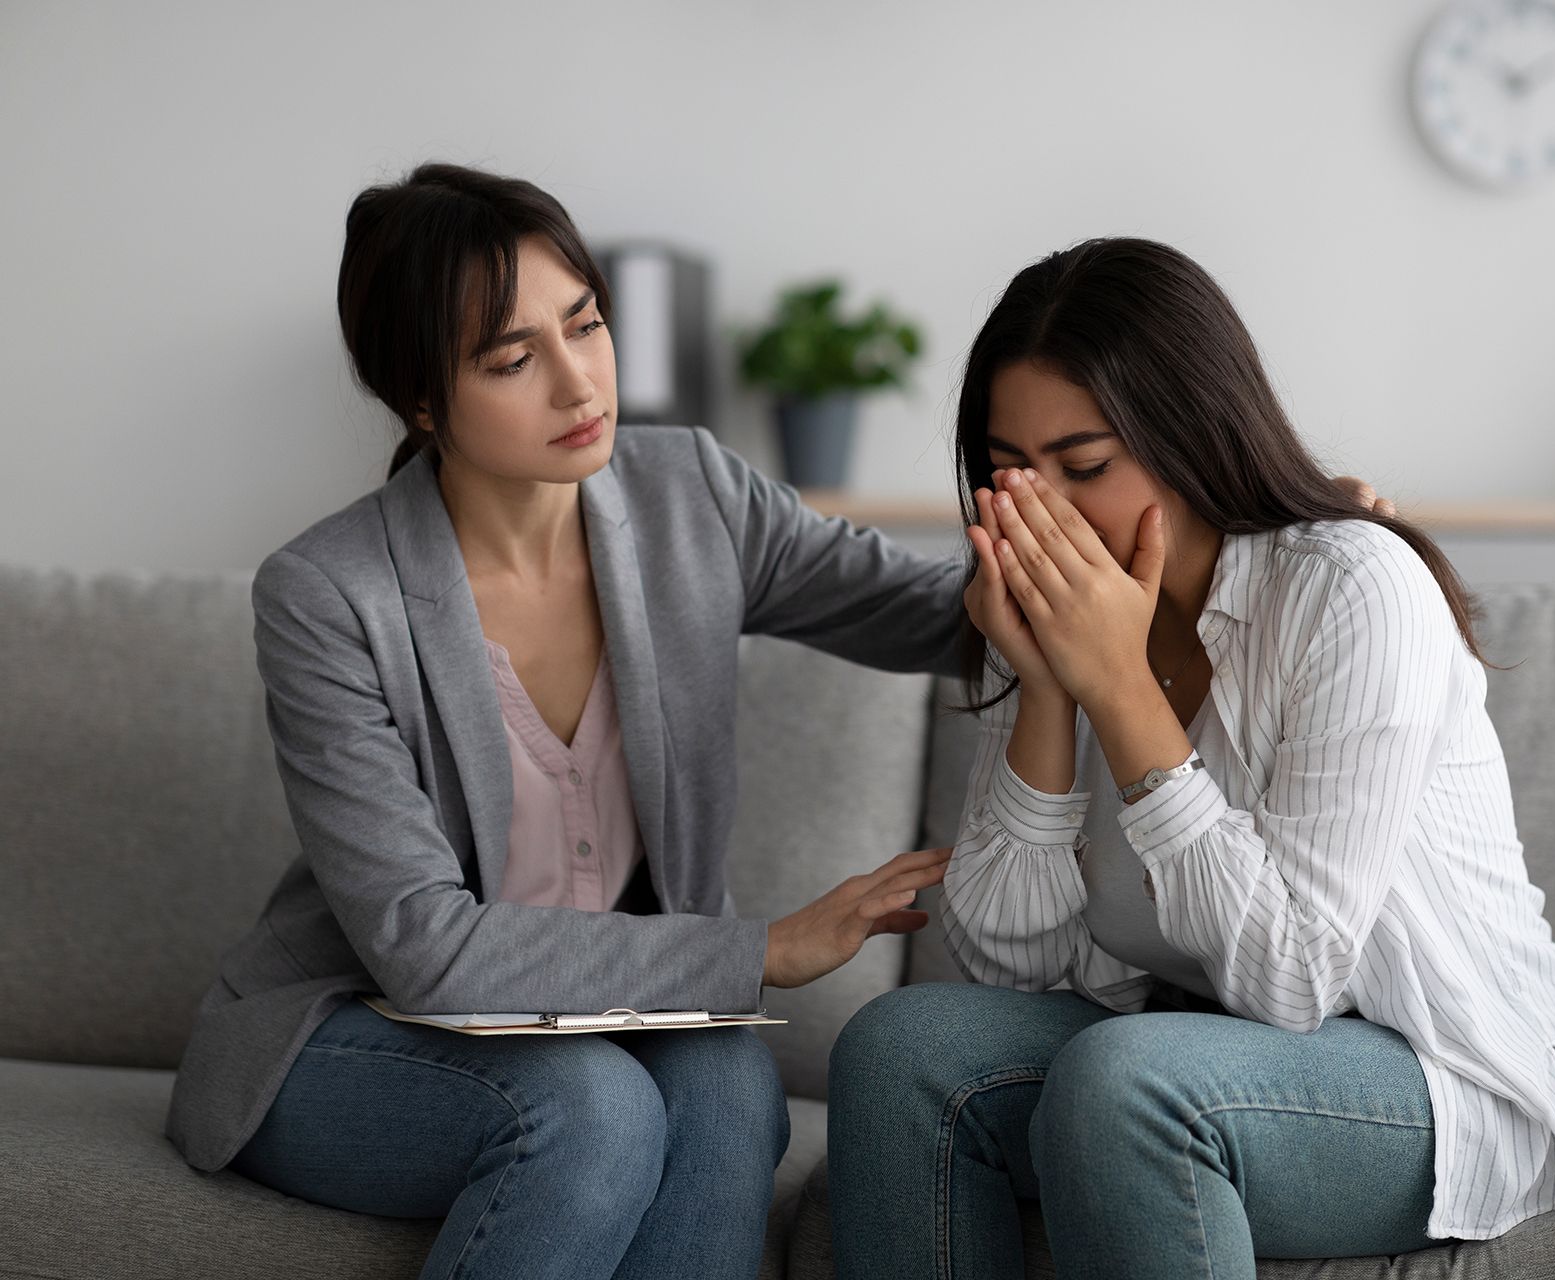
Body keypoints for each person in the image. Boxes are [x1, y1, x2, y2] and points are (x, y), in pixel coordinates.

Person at [162, 162, 964, 1280]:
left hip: (612, 1018)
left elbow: (933, 614)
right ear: (425, 400)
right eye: (512, 357)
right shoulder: (328, 593)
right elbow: (426, 948)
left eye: (585, 323)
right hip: (355, 1027)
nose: (579, 380)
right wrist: (765, 948)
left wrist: (1109, 555)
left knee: (732, 1086)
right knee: (591, 1110)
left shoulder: (691, 494)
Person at [827, 238, 1555, 1280]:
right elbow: (1011, 962)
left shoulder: (1351, 589)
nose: (1038, 514)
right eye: (1007, 472)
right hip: (1195, 1044)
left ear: (1190, 433)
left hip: (1459, 1069)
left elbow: (1294, 975)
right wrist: (1055, 689)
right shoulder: (1059, 610)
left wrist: (1117, 686)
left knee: (1128, 1079)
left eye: (1085, 466)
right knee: (898, 1052)